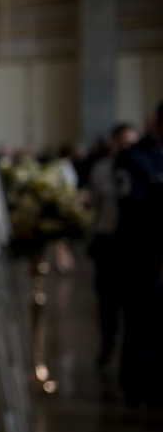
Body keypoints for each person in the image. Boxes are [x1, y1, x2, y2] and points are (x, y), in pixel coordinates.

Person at [114, 101, 163, 405]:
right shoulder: (132, 158)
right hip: (141, 254)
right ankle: (136, 383)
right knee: (140, 318)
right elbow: (133, 210)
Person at [87, 122, 138, 367]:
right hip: (108, 240)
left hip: (133, 244)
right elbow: (96, 201)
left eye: (131, 142)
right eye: (123, 141)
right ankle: (108, 342)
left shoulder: (140, 167)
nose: (127, 146)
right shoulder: (102, 169)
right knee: (107, 299)